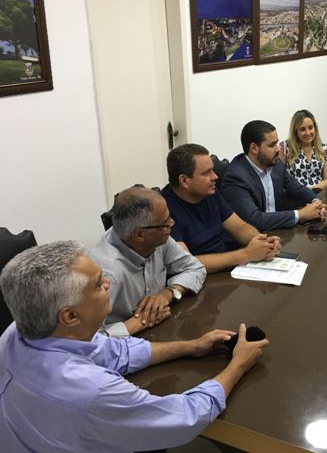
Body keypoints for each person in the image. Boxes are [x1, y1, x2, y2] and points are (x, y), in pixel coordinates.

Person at [0, 241, 269, 452]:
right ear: (70, 315)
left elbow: (117, 352)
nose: (108, 283)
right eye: (98, 284)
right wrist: (238, 365)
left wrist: (192, 346)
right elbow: (185, 418)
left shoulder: (20, 330)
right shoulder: (91, 390)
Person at [89, 187, 206, 337]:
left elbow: (196, 268)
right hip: (123, 345)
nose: (172, 223)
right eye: (166, 223)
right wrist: (139, 322)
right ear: (140, 235)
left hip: (161, 330)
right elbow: (85, 340)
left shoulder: (156, 238)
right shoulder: (106, 274)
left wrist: (168, 294)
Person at [162, 143, 281, 274]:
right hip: (199, 278)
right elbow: (186, 263)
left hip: (228, 268)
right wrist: (246, 254)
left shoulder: (209, 192)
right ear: (184, 180)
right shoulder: (163, 211)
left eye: (212, 170)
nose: (215, 177)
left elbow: (239, 227)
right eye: (206, 173)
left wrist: (263, 242)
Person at [221, 120, 327, 231]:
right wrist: (300, 215)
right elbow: (254, 220)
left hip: (278, 229)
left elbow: (296, 187)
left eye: (277, 143)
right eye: (272, 145)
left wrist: (316, 203)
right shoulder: (236, 177)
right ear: (254, 148)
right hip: (255, 236)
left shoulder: (275, 164)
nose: (278, 149)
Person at [278, 109, 327, 190]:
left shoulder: (324, 150)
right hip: (294, 194)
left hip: (318, 192)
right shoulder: (284, 148)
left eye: (310, 128)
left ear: (315, 128)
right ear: (295, 132)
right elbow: (279, 177)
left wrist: (311, 192)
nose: (307, 133)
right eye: (302, 129)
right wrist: (303, 193)